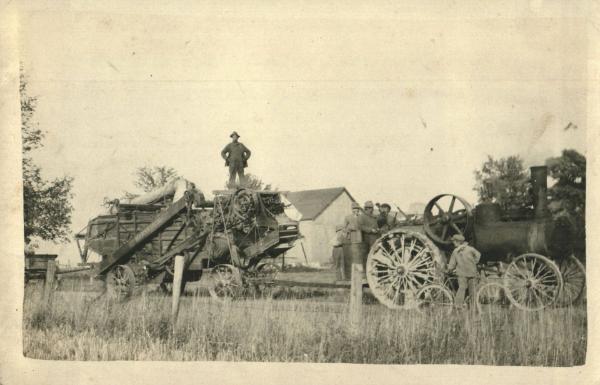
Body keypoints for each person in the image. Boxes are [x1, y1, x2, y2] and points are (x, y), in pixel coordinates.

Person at [446, 233, 481, 309]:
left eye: (454, 242)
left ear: (458, 242)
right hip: (472, 272)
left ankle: (458, 306)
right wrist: (474, 262)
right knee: (473, 291)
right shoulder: (470, 249)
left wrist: (449, 270)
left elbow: (452, 264)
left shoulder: (456, 251)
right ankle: (473, 308)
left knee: (461, 289)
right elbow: (478, 255)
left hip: (462, 273)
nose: (453, 243)